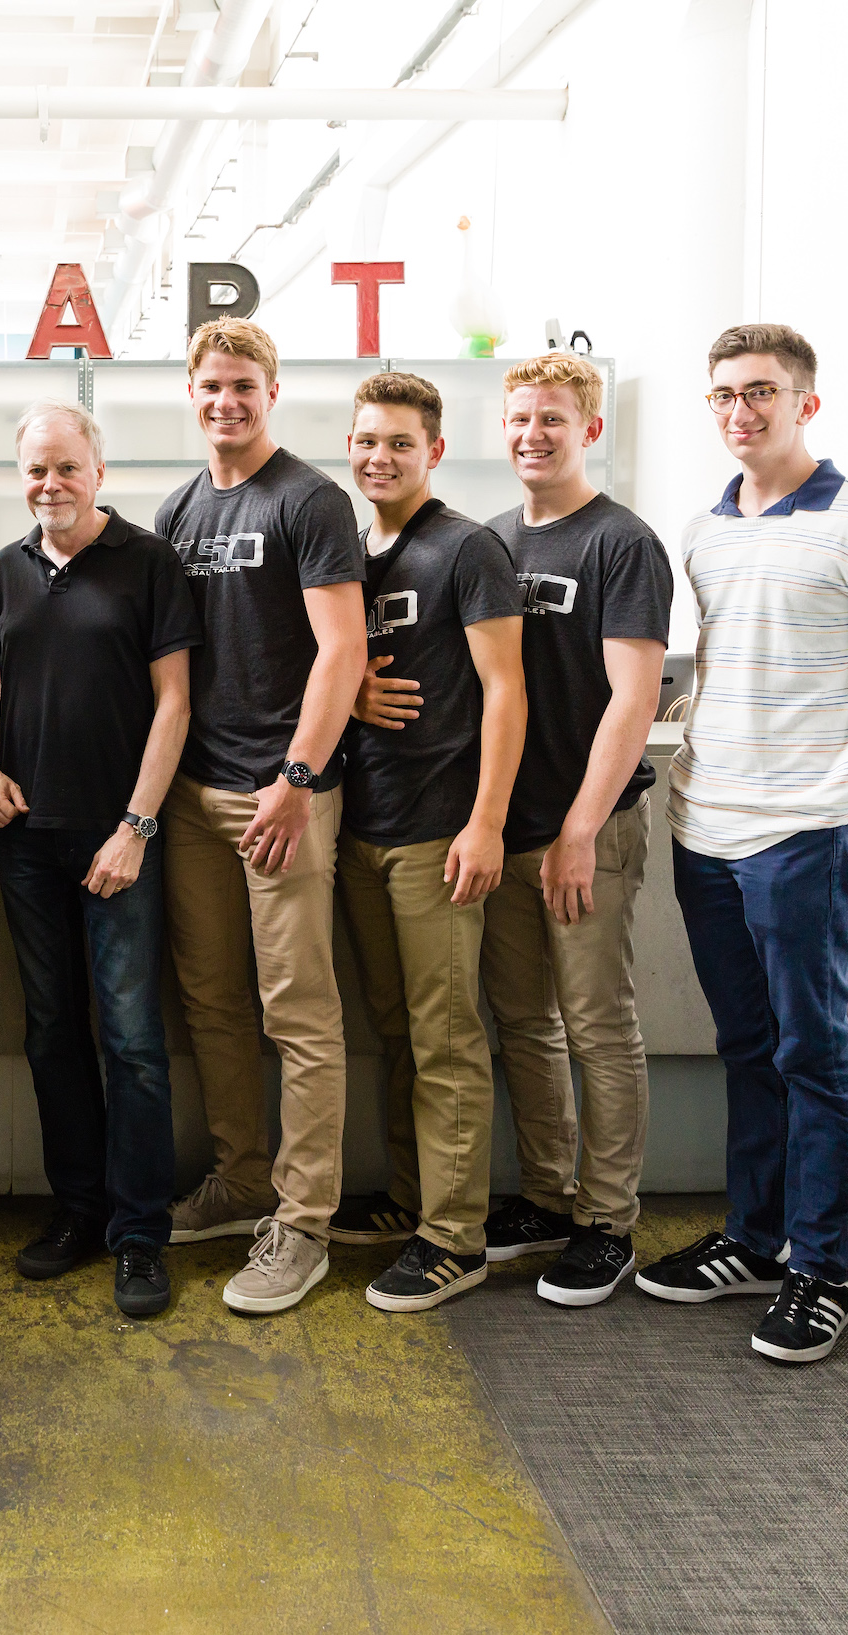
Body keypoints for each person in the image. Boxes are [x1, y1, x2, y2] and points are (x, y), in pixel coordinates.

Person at [636, 324, 848, 1364]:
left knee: (811, 1050)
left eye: (760, 391)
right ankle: (755, 1240)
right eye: (722, 394)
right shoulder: (705, 529)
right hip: (704, 824)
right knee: (745, 1046)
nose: (738, 411)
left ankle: (819, 1266)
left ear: (806, 401)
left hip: (804, 831)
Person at [152, 318, 368, 1318]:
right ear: (189, 392)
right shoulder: (180, 507)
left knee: (299, 1013)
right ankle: (239, 1180)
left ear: (271, 390)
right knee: (210, 1001)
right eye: (209, 385)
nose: (224, 401)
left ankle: (303, 1221)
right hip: (195, 794)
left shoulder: (309, 499)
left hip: (279, 792)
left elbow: (341, 651)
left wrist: (296, 774)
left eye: (242, 384)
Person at [0, 400, 200, 1320]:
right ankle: (79, 1210)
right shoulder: (6, 569)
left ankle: (139, 1235)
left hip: (120, 840)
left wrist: (135, 828)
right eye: (35, 471)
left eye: (66, 467)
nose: (50, 485)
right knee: (51, 1031)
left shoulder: (147, 563)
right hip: (27, 841)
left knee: (134, 1042)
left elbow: (174, 703)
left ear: (97, 470)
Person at [470, 353, 673, 1308]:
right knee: (524, 1021)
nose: (532, 434)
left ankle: (607, 1219)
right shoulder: (497, 542)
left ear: (589, 429)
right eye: (518, 418)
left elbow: (633, 700)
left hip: (587, 827)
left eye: (552, 418)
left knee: (597, 1023)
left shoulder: (620, 543)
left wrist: (581, 828)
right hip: (508, 829)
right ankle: (548, 1197)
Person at [335, 371, 526, 1314]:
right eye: (367, 440)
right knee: (395, 1029)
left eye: (400, 443)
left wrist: (485, 819)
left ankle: (456, 1237)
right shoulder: (349, 548)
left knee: (447, 1036)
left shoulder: (467, 547)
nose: (381, 457)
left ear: (434, 451)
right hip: (361, 825)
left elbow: (505, 688)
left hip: (438, 830)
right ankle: (414, 1202)